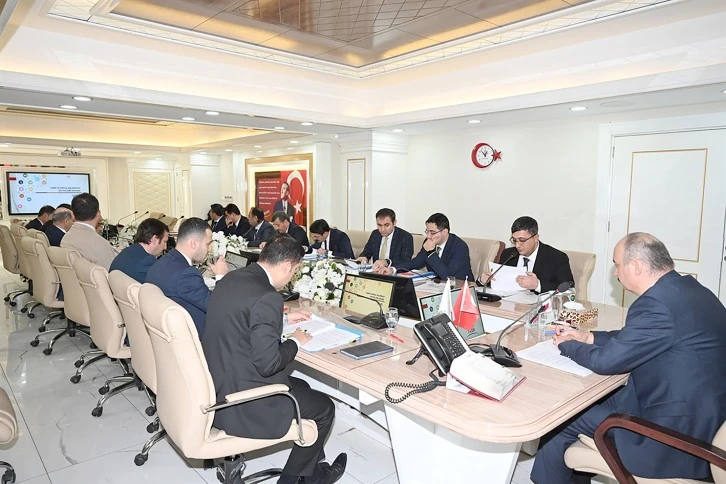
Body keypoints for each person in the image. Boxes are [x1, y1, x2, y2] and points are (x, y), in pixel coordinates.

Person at [531, 233, 726, 483]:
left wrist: (567, 345)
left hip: (672, 440)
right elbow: (636, 336)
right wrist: (589, 337)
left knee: (559, 419)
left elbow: (605, 362)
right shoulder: (689, 290)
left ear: (636, 266)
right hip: (699, 417)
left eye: (617, 265)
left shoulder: (657, 304)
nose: (616, 273)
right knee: (585, 404)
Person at [203, 234, 347, 484]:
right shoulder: (267, 296)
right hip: (243, 403)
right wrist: (296, 341)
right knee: (325, 408)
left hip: (217, 385)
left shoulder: (233, 278)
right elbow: (268, 364)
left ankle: (311, 468)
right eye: (294, 272)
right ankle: (293, 480)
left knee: (303, 387)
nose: (291, 278)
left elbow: (241, 317)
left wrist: (281, 319)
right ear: (287, 266)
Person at [145, 217, 228, 336]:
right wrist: (221, 277)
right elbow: (218, 308)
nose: (209, 249)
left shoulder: (161, 262)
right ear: (194, 243)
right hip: (196, 338)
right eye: (208, 244)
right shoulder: (187, 274)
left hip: (165, 334)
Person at [484, 216, 573, 293]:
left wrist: (538, 285)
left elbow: (569, 289)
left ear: (535, 238)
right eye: (514, 240)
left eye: (522, 240)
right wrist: (483, 280)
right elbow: (497, 282)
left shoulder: (557, 258)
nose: (517, 245)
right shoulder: (508, 254)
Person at [383, 213, 473, 280]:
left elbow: (447, 276)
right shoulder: (428, 241)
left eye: (433, 233)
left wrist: (431, 252)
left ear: (445, 232)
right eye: (427, 232)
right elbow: (415, 263)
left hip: (460, 288)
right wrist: (393, 269)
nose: (428, 236)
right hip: (437, 285)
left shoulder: (459, 247)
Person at [61, 193, 119, 270]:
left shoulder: (65, 238)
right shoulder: (99, 243)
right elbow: (113, 272)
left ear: (73, 215)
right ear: (98, 214)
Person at [109, 218, 169, 283]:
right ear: (154, 239)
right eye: (164, 242)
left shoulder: (125, 253)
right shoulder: (148, 262)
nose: (165, 247)